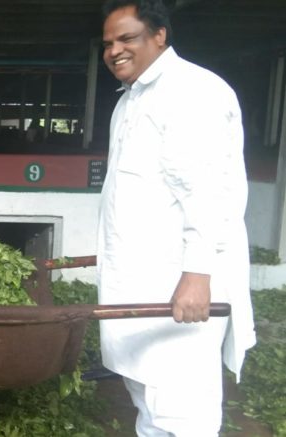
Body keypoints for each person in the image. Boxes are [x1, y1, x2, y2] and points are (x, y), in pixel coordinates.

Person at [96, 1, 256, 436]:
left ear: (160, 35)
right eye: (108, 43)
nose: (114, 50)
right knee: (149, 400)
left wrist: (197, 274)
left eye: (127, 38)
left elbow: (207, 194)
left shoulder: (191, 92)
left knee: (182, 410)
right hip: (138, 283)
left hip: (177, 286)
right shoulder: (130, 100)